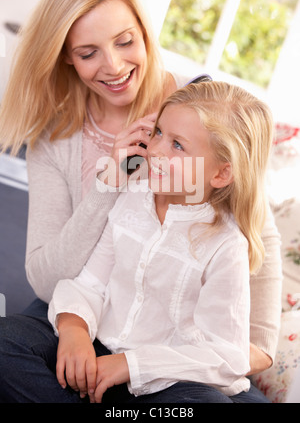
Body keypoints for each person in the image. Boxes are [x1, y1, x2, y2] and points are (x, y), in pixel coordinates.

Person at [0, 0, 281, 403]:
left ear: (145, 33)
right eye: (88, 53)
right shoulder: (57, 143)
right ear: (66, 59)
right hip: (90, 308)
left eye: (124, 41)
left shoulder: (200, 109)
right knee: (6, 346)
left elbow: (250, 229)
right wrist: (108, 184)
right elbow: (52, 280)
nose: (112, 66)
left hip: (176, 343)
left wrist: (250, 349)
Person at [47, 80, 273, 403]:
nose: (155, 151)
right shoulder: (132, 198)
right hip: (100, 350)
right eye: (157, 133)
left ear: (221, 174)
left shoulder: (226, 244)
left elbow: (225, 355)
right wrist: (73, 329)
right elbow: (90, 283)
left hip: (167, 382)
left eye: (178, 146)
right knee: (8, 343)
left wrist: (131, 365)